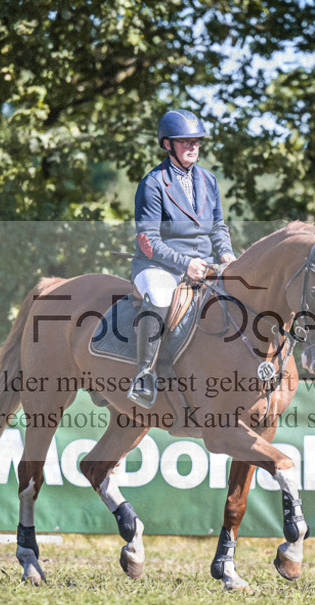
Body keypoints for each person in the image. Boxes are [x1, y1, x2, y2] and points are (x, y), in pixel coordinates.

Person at [128, 109, 236, 408]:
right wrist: (185, 263)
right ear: (167, 145)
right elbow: (147, 241)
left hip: (203, 263)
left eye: (196, 141)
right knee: (162, 295)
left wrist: (226, 253)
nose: (193, 147)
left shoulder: (208, 179)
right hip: (158, 265)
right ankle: (144, 375)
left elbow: (217, 226)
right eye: (185, 141)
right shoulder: (153, 183)